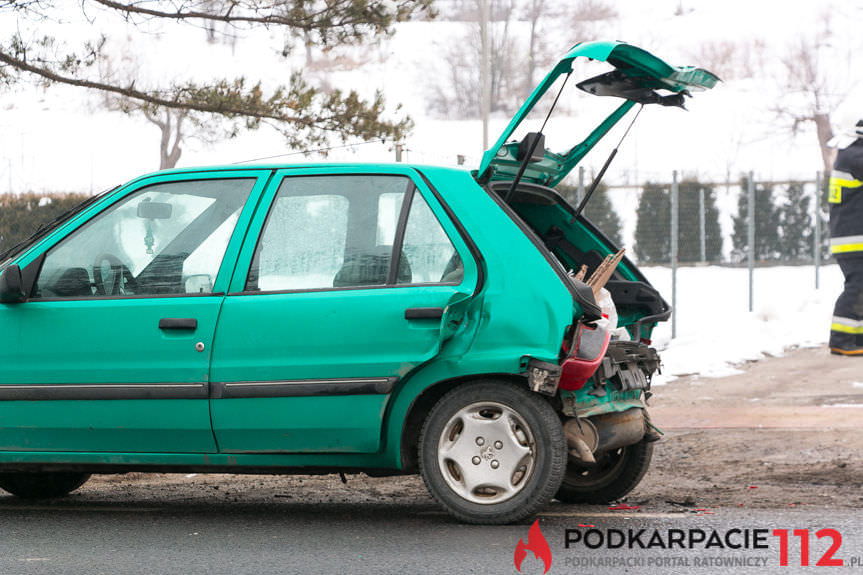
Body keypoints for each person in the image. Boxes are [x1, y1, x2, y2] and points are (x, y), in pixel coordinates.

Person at [828, 119, 863, 355]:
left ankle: (855, 338)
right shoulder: (854, 155)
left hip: (853, 236)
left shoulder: (851, 154)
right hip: (853, 239)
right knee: (858, 287)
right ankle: (841, 339)